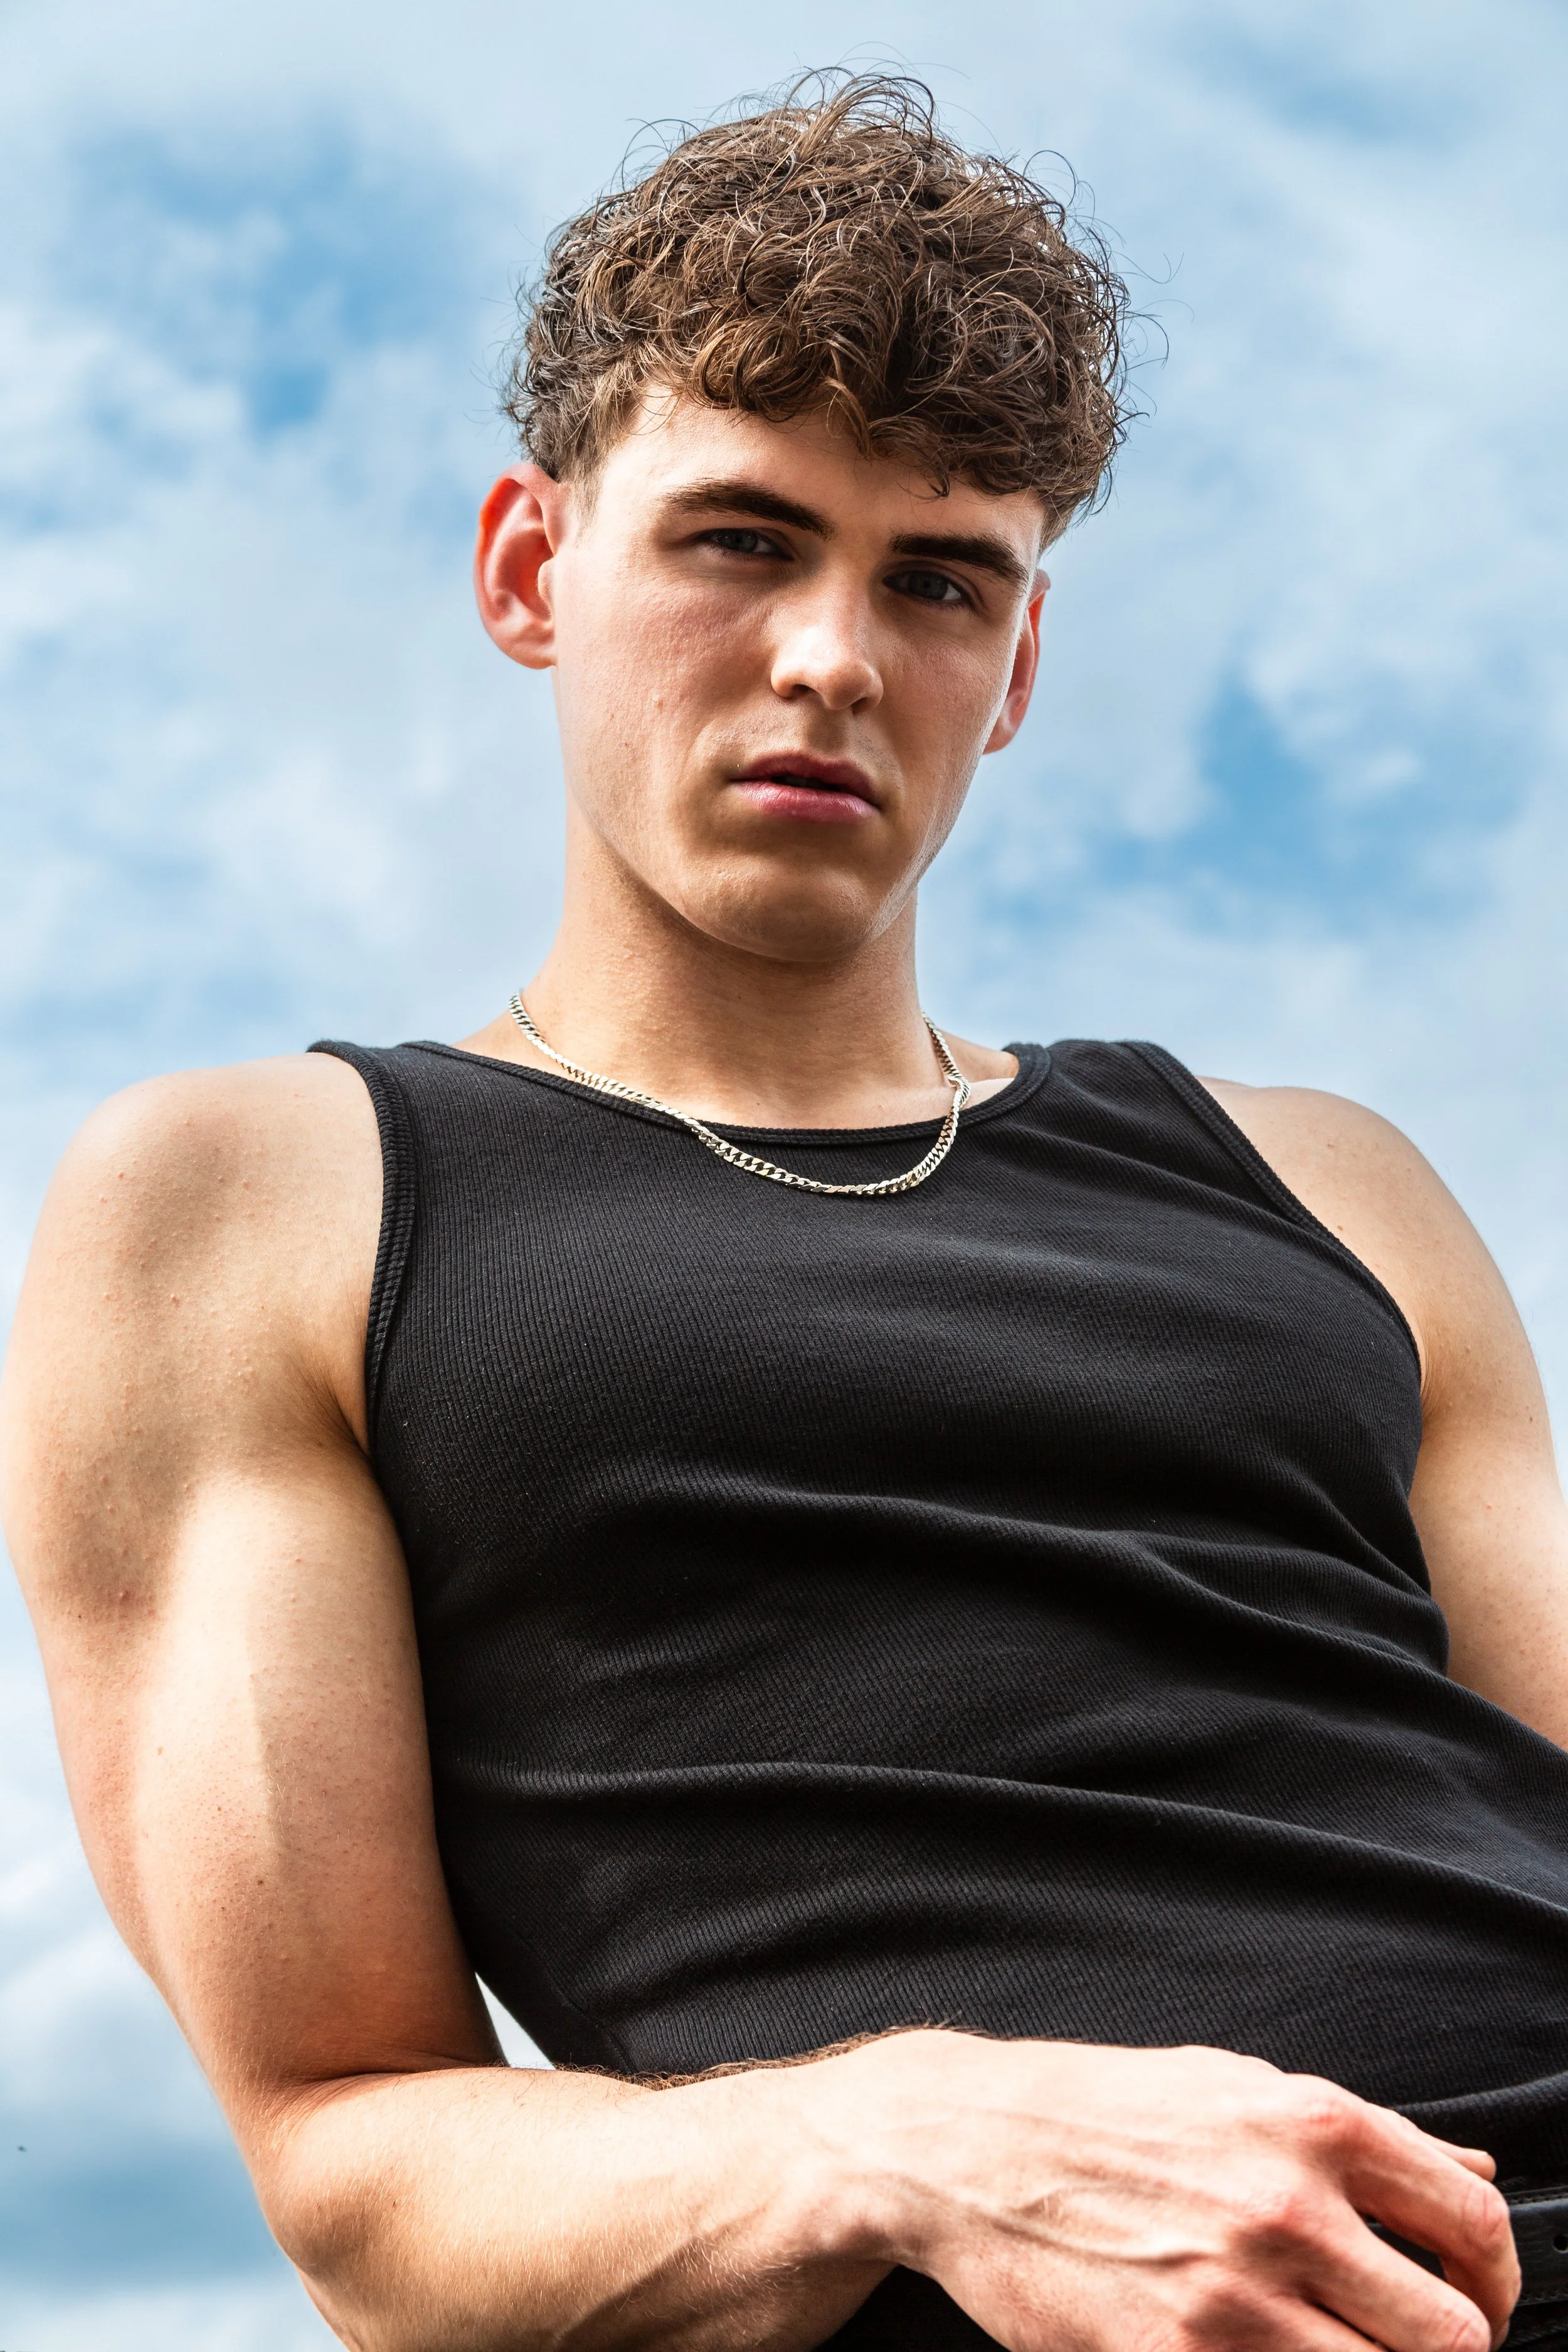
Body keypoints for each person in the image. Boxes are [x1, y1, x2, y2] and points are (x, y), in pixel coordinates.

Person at [3, 70, 1565, 2352]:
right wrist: (917, 2138)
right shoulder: (255, 1198)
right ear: (536, 571)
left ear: (1011, 668)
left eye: (937, 579)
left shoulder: (1329, 1183)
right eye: (741, 538)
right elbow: (353, 2164)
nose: (835, 654)